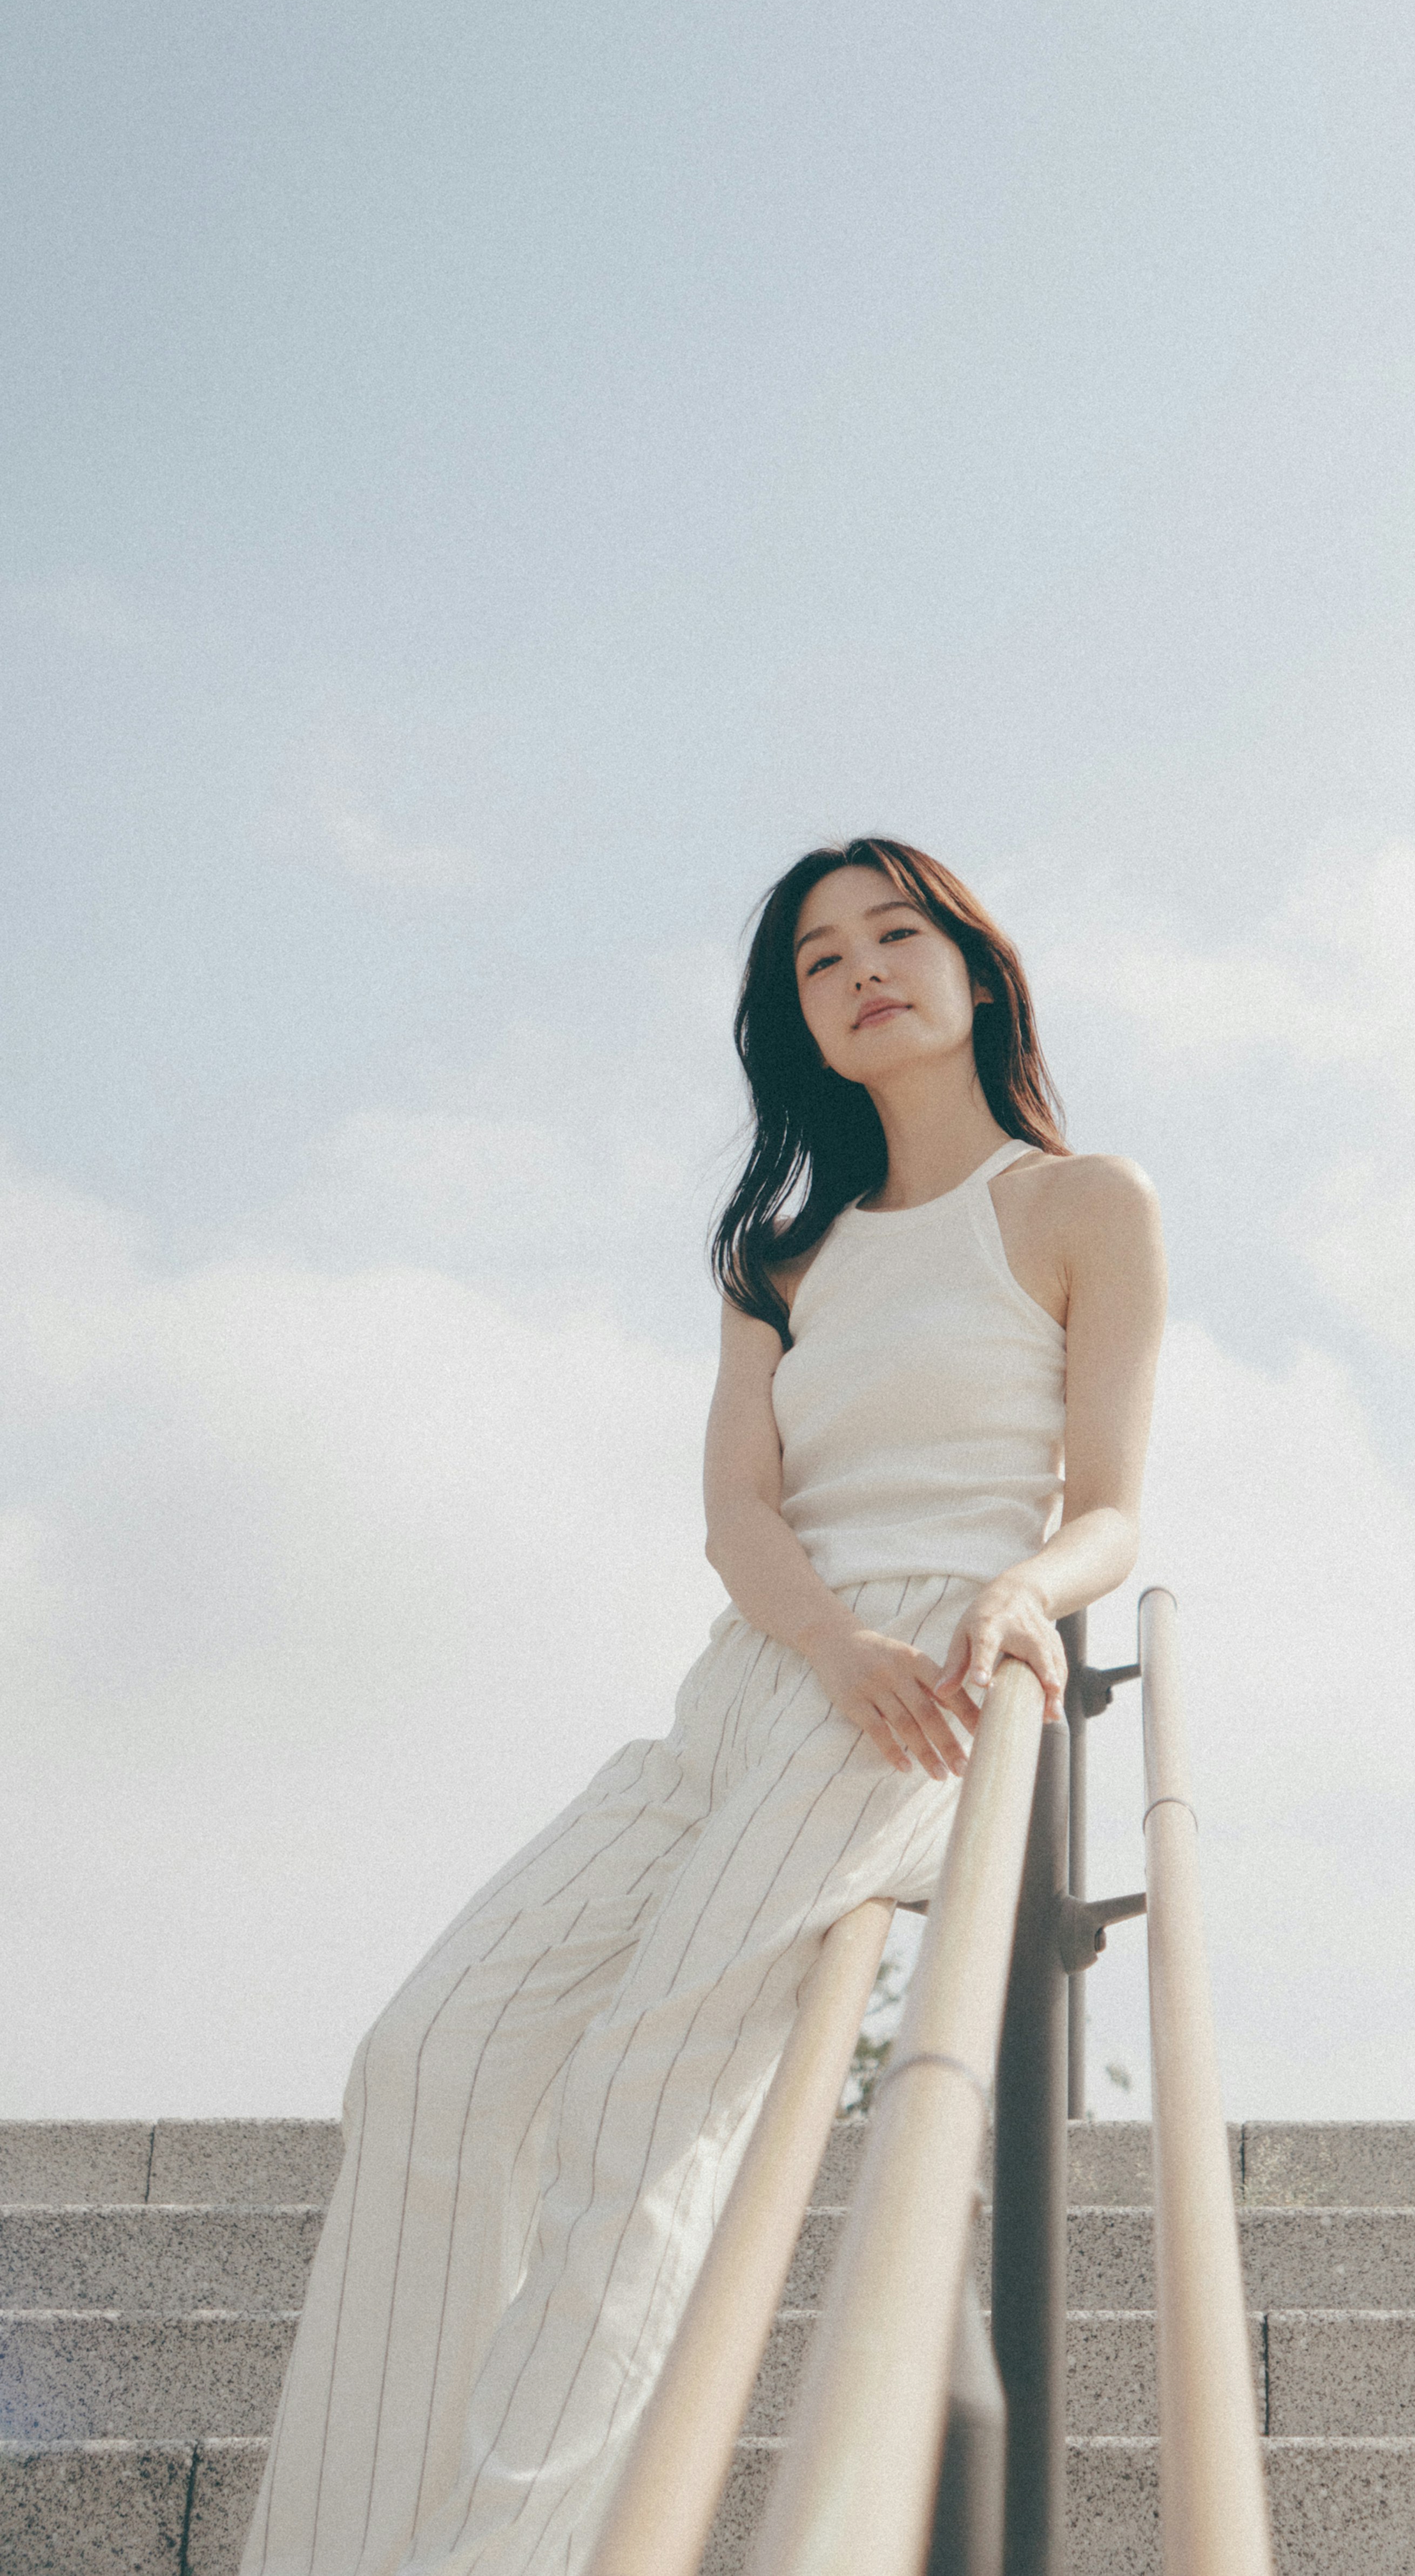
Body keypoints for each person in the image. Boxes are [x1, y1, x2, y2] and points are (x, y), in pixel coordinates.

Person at [242, 835, 1167, 2576]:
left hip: (926, 1689)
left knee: (647, 2102)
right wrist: (822, 1647)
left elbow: (1111, 1502)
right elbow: (739, 1513)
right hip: (769, 1673)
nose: (864, 969)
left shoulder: (1080, 1205)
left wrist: (1020, 1595)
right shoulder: (780, 1253)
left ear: (979, 971)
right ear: (797, 1025)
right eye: (821, 960)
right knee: (430, 2058)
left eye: (898, 934)